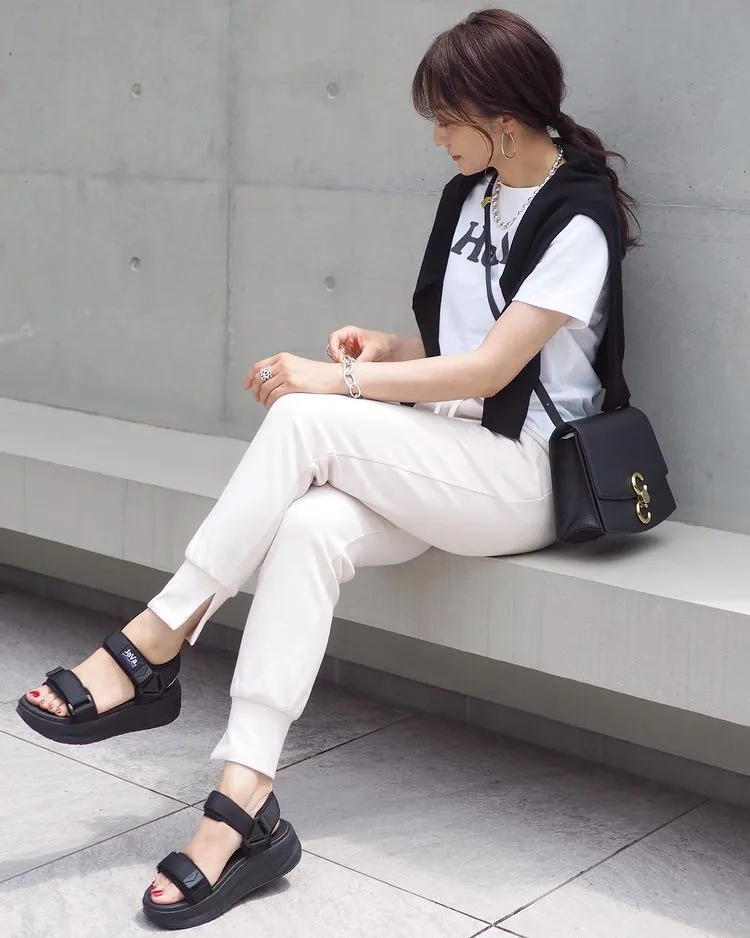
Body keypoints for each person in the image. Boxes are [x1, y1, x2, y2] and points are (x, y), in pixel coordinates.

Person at [16, 7, 638, 930]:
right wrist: (387, 347)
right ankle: (243, 810)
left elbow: (492, 371)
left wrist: (339, 378)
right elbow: (459, 347)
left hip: (525, 477)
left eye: (447, 119)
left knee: (309, 414)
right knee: (308, 529)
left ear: (502, 121)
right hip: (447, 458)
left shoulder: (577, 216)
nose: (437, 138)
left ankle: (155, 640)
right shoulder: (472, 195)